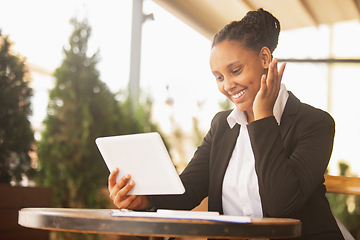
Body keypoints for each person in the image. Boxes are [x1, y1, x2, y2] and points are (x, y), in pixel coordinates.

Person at [108, 8, 344, 240]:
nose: (227, 85)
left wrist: (263, 118)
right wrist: (145, 200)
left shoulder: (315, 123)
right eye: (219, 77)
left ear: (264, 58)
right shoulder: (223, 126)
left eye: (235, 70)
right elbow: (188, 190)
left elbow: (282, 204)